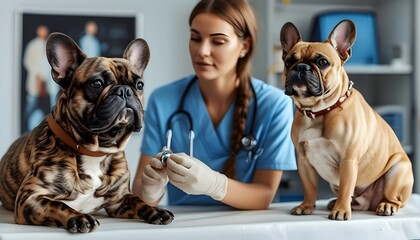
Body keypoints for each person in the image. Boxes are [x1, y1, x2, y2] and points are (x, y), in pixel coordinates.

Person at [132, 0, 296, 210]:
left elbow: (264, 195)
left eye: (217, 41)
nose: (202, 51)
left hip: (247, 228)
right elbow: (139, 195)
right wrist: (148, 190)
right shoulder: (163, 100)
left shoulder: (275, 105)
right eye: (195, 38)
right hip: (182, 228)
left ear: (244, 46)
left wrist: (214, 185)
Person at [23, 25, 56, 132]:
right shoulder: (33, 45)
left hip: (46, 81)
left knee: (45, 106)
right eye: (42, 31)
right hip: (36, 79)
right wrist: (37, 75)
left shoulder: (48, 44)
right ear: (38, 32)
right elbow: (27, 61)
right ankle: (25, 127)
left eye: (45, 31)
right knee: (32, 104)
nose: (44, 33)